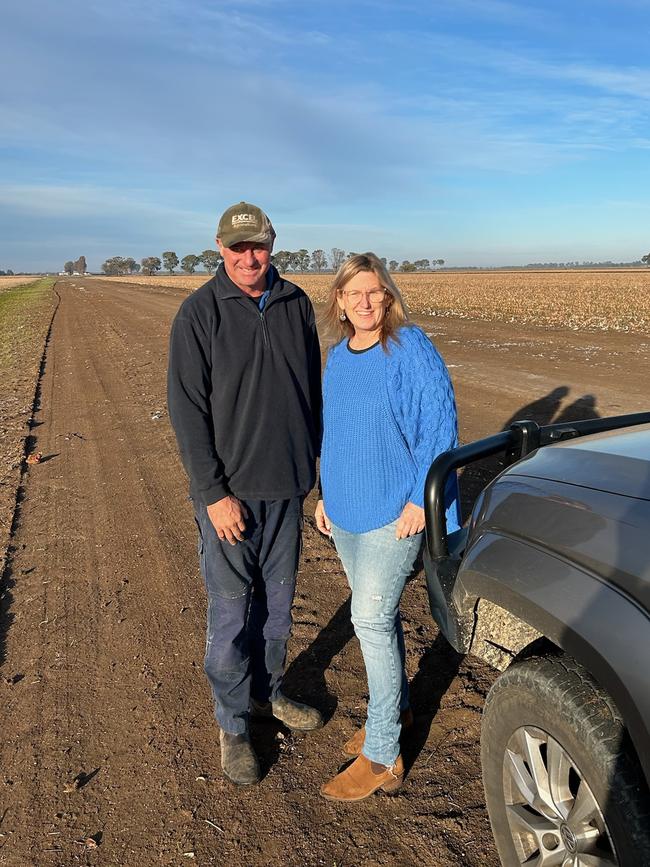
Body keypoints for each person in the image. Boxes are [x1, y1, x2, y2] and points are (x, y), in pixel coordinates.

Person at [168, 202, 323, 786]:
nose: (249, 257)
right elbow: (188, 412)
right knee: (232, 611)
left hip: (287, 487)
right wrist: (213, 493)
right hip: (229, 496)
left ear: (273, 244)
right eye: (238, 248)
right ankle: (233, 726)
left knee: (278, 607)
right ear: (219, 247)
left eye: (257, 245)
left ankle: (267, 692)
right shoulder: (199, 313)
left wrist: (319, 474)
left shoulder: (296, 305)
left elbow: (313, 392)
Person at [315, 253, 460, 802]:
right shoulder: (338, 359)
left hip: (395, 512)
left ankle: (382, 753)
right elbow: (335, 433)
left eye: (375, 292)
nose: (366, 302)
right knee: (381, 618)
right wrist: (325, 495)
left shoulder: (410, 347)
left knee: (369, 620)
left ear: (389, 295)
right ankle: (395, 706)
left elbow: (439, 424)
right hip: (347, 511)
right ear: (340, 302)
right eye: (355, 294)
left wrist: (420, 501)